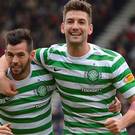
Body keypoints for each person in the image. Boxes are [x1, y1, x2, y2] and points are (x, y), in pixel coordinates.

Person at [0, 0, 127, 135]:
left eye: (81, 22)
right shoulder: (50, 57)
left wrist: (106, 96)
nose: (15, 60)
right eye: (70, 21)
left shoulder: (47, 74)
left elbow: (77, 87)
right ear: (62, 27)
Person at [0, 28, 56, 135]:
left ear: (31, 55)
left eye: (21, 55)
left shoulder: (46, 74)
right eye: (10, 55)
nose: (15, 61)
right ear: (5, 54)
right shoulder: (1, 80)